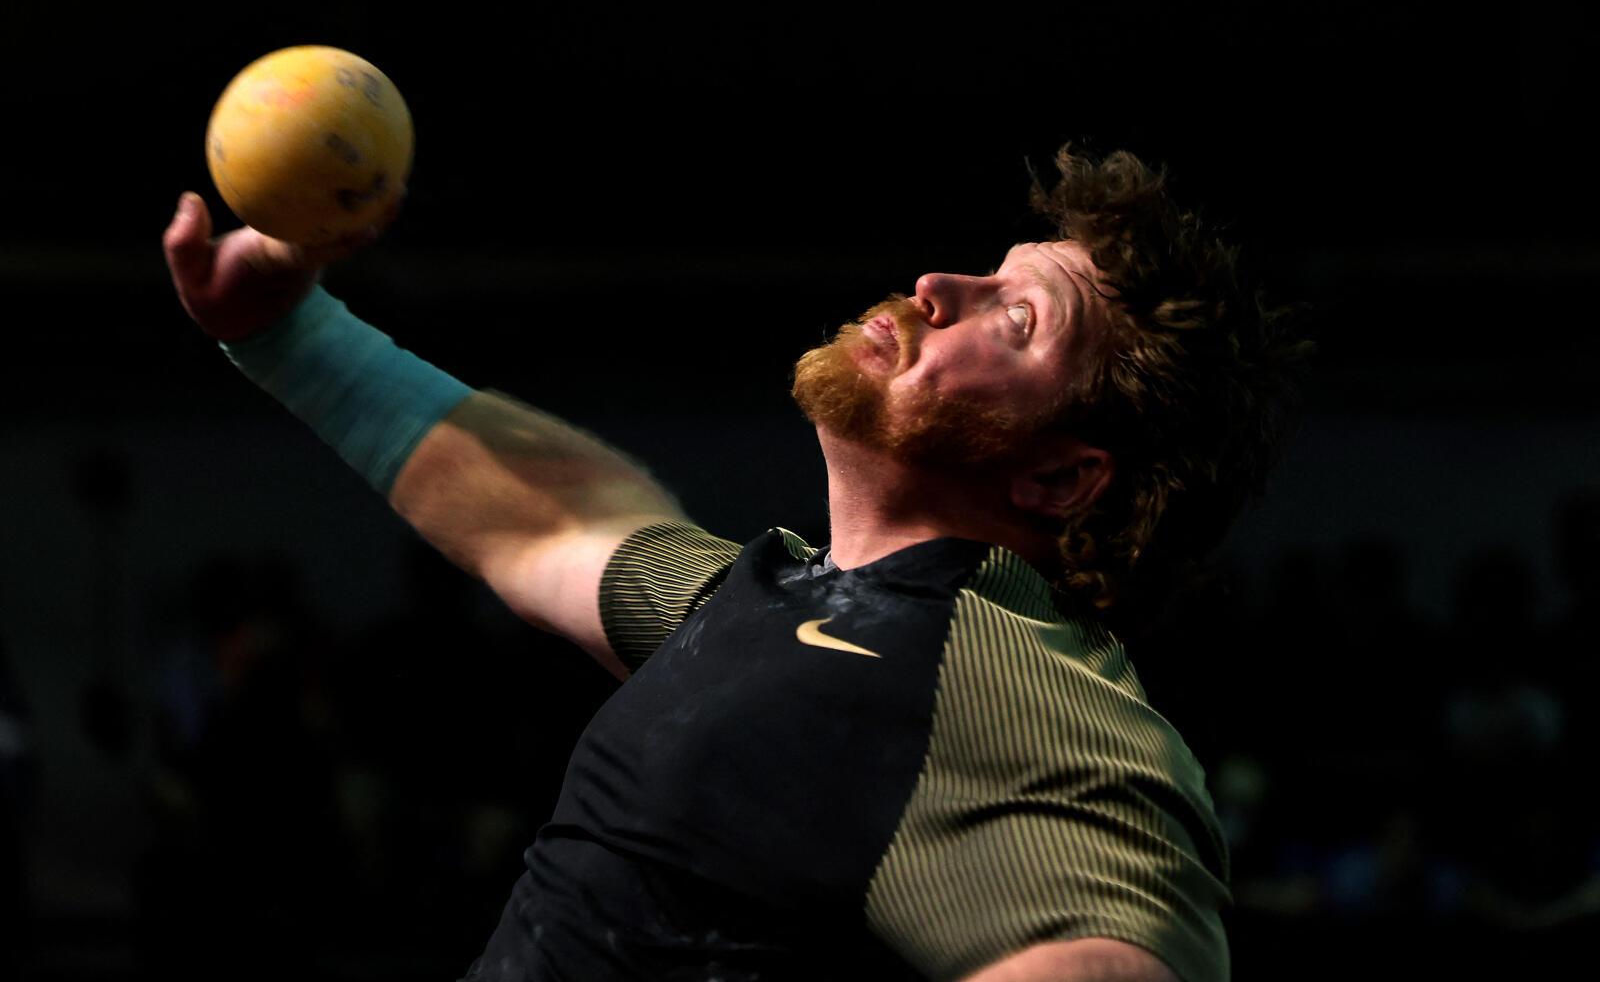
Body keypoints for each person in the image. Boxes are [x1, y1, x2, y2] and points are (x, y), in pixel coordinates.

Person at [161, 145, 1311, 982]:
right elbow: (545, 521)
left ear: (1060, 481)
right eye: (983, 271)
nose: (935, 288)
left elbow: (1123, 960)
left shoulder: (1018, 675)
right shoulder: (775, 601)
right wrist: (292, 337)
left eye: (1014, 319)